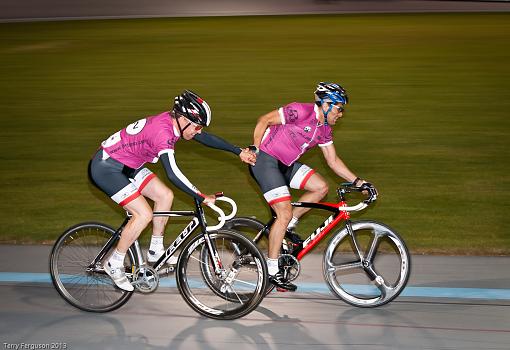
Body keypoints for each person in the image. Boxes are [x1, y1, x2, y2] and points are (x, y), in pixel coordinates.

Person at [89, 90, 256, 291]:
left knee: (165, 195)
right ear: (184, 119)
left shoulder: (176, 123)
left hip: (129, 165)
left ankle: (156, 250)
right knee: (143, 214)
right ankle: (114, 263)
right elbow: (173, 173)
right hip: (106, 167)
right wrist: (200, 195)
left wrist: (238, 152)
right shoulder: (163, 132)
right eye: (196, 126)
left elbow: (206, 139)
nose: (198, 131)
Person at [248, 82, 378, 291]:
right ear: (326, 105)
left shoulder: (324, 129)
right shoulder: (300, 111)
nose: (341, 114)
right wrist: (255, 147)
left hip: (285, 165)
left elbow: (333, 161)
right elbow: (264, 120)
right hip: (265, 160)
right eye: (339, 108)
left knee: (320, 187)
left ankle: (291, 222)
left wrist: (359, 182)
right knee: (283, 212)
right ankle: (271, 270)